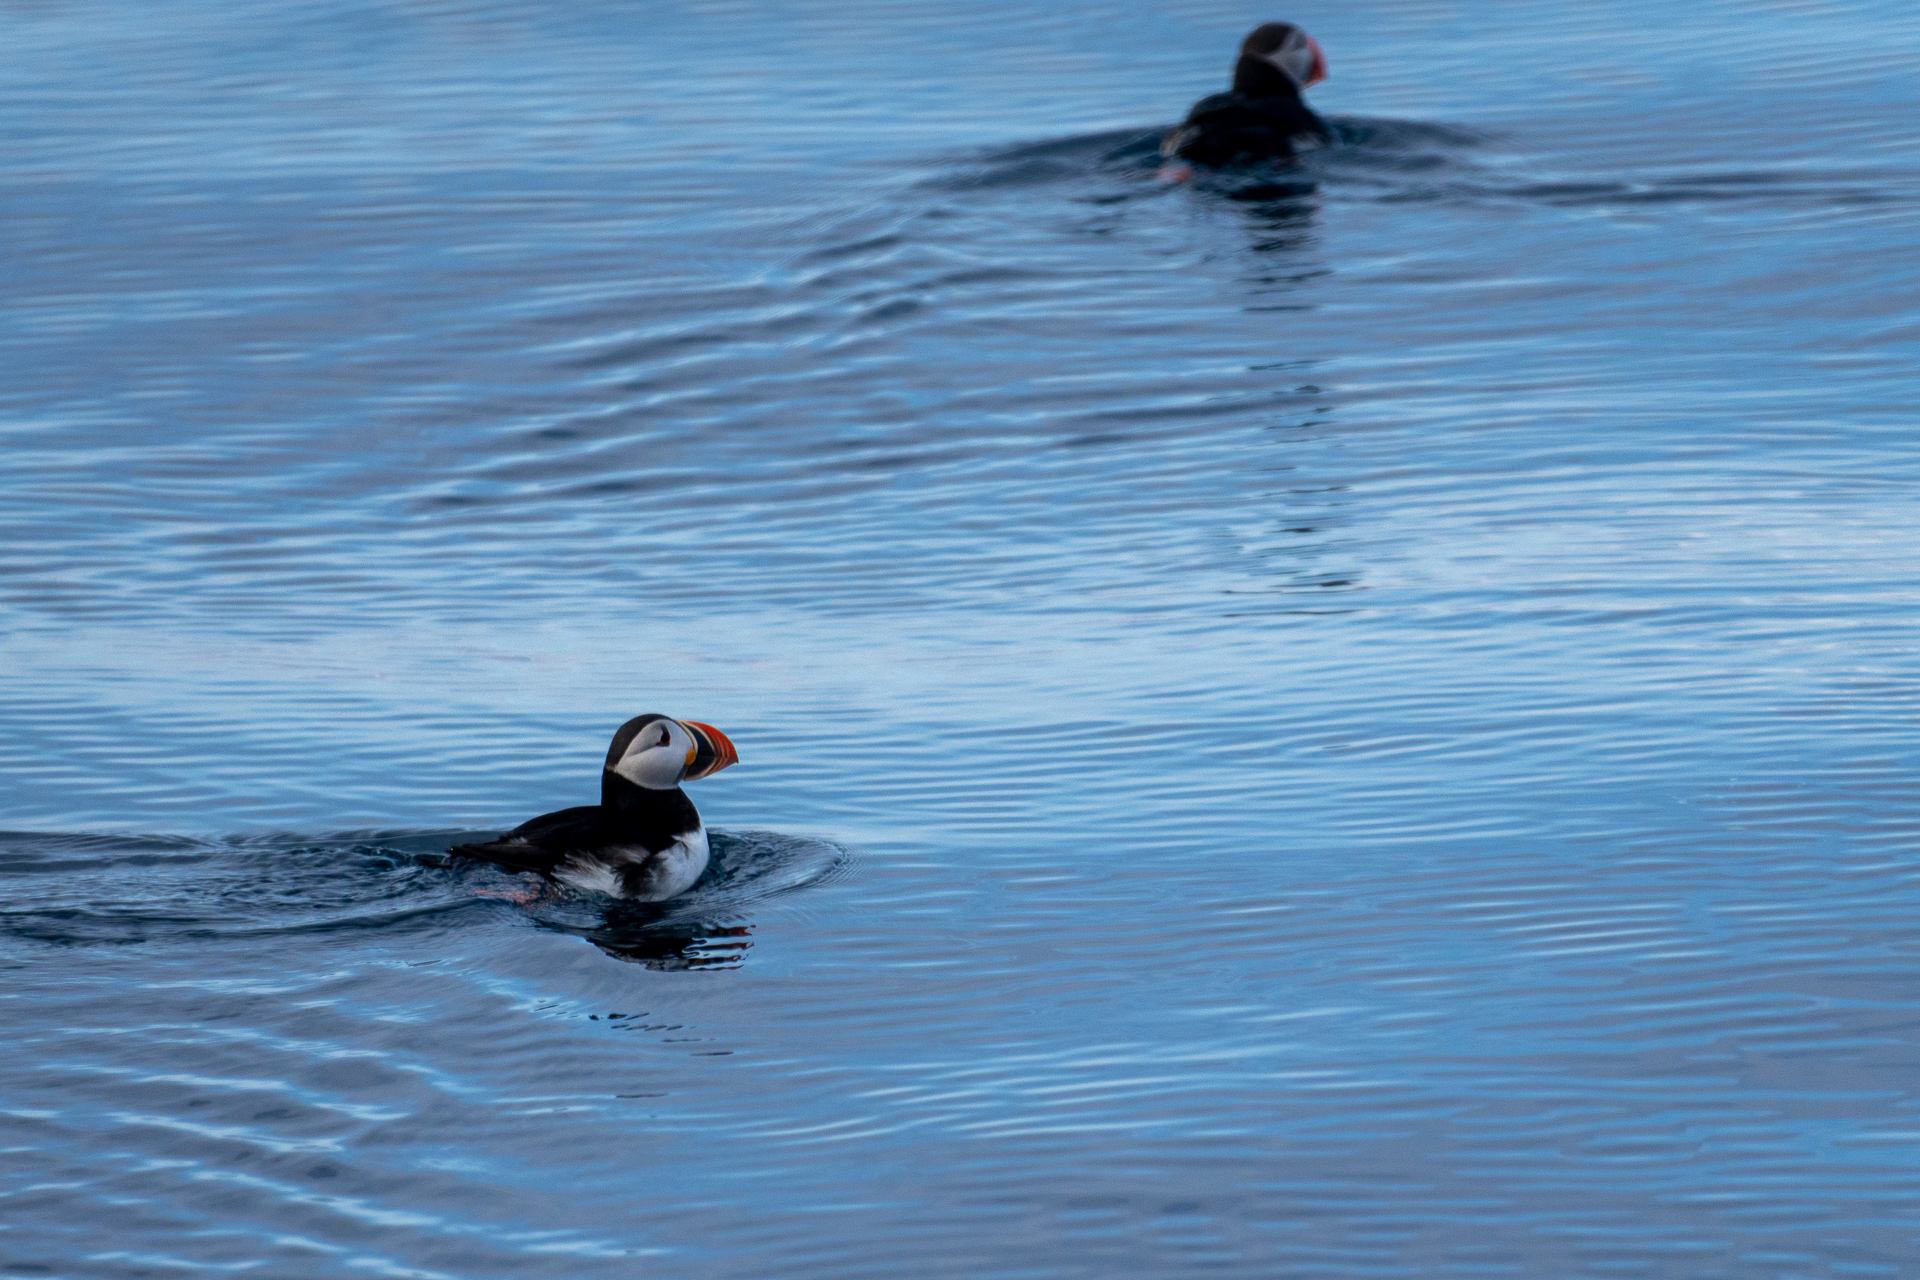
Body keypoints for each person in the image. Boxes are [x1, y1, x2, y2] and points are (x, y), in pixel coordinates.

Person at [1163, 22, 1331, 169]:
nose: (1313, 52)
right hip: (1261, 153)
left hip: (1190, 145)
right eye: (1300, 45)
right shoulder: (1295, 114)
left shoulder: (1211, 104)